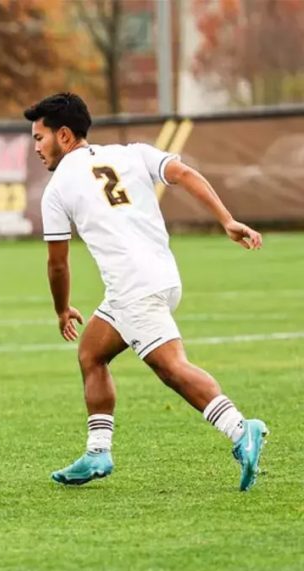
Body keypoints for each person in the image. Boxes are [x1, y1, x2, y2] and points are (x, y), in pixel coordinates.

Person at [24, 92, 268, 490]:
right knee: (92, 352)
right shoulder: (131, 152)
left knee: (171, 368)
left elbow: (57, 263)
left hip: (135, 287)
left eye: (39, 138)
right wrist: (227, 220)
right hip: (160, 278)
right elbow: (185, 174)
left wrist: (62, 308)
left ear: (64, 136)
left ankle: (241, 429)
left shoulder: (57, 188)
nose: (35, 147)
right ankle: (97, 451)